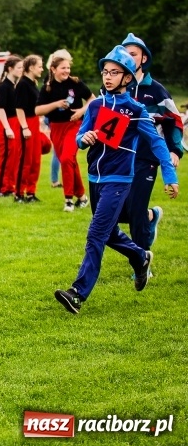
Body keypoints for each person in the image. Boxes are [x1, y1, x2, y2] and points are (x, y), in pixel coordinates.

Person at [54, 46, 178, 314]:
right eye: (105, 72)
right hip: (94, 178)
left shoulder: (136, 110)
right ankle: (141, 256)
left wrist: (170, 175)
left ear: (127, 77)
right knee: (108, 232)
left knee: (96, 233)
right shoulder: (96, 105)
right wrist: (82, 139)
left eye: (114, 72)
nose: (107, 77)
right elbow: (81, 135)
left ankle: (77, 293)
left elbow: (157, 143)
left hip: (120, 180)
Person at [118, 33, 183, 258]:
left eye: (133, 54)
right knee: (114, 212)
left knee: (135, 209)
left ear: (144, 58)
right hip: (119, 158)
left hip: (147, 158)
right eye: (124, 53)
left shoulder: (156, 90)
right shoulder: (115, 88)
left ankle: (141, 260)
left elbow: (174, 120)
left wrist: (175, 150)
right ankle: (150, 217)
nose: (128, 57)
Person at [35, 49, 95, 212]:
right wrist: (56, 104)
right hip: (56, 128)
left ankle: (68, 199)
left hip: (74, 126)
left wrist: (81, 112)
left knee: (68, 158)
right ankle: (82, 197)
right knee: (68, 162)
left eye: (68, 68)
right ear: (54, 69)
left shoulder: (75, 83)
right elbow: (38, 110)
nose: (67, 71)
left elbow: (92, 99)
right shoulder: (48, 86)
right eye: (63, 68)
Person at [13, 55, 44, 203]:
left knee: (35, 160)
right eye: (39, 66)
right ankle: (18, 193)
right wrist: (25, 127)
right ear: (31, 67)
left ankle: (31, 192)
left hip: (35, 122)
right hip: (27, 123)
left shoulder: (33, 83)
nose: (42, 69)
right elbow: (19, 108)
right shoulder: (23, 84)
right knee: (25, 160)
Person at [0, 55, 23, 197]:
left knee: (14, 156)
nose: (21, 70)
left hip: (15, 122)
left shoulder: (15, 86)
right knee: (5, 157)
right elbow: (1, 108)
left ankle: (9, 186)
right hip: (6, 123)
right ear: (10, 69)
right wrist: (7, 127)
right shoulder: (3, 86)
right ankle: (0, 188)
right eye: (19, 68)